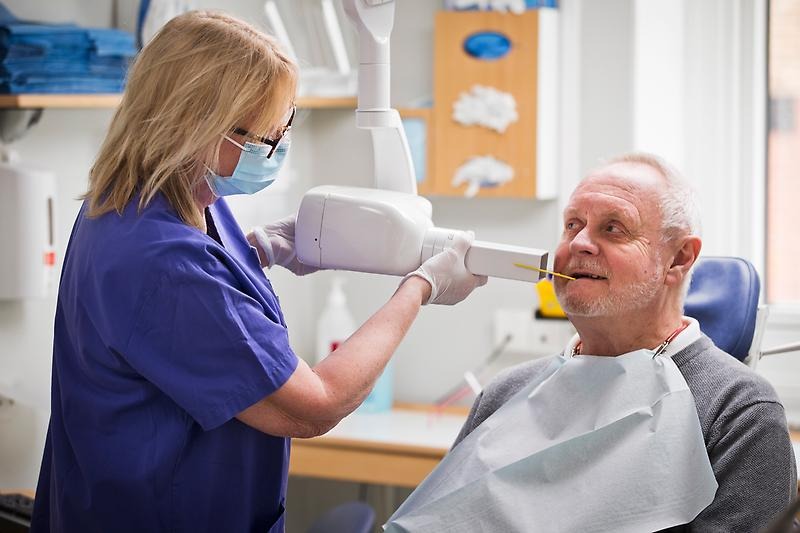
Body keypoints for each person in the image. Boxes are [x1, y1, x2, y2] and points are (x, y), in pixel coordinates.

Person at [30, 11, 486, 533]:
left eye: (286, 127)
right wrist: (419, 287)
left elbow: (184, 312)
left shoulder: (154, 199)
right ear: (194, 124)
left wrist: (257, 250)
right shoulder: (163, 263)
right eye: (263, 139)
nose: (276, 149)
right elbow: (314, 406)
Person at [385, 153, 797, 532]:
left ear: (679, 258)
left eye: (612, 228)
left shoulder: (738, 412)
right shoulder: (505, 394)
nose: (579, 243)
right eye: (572, 225)